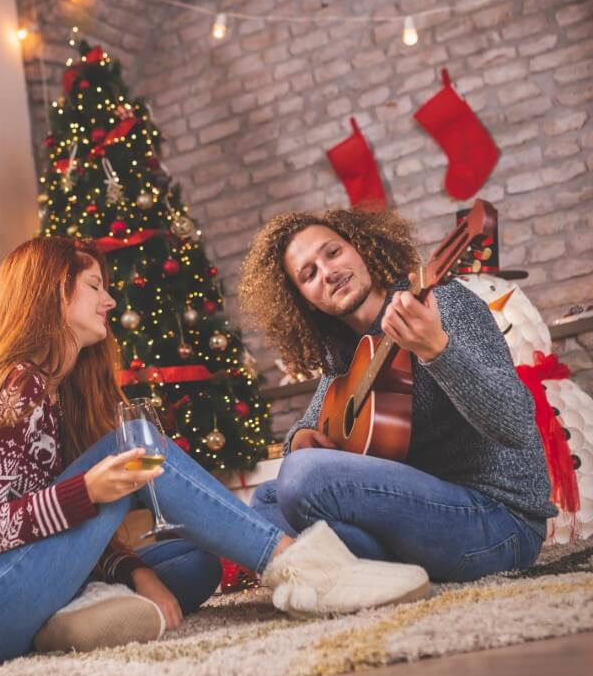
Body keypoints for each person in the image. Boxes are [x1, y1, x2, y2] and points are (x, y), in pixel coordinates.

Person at [0, 236, 429, 672]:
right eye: (95, 287)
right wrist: (85, 492)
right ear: (53, 292)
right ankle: (306, 569)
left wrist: (132, 570)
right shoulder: (14, 386)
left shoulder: (50, 394)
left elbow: (45, 533)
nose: (110, 301)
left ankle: (73, 619)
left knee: (193, 567)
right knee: (139, 448)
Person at [238, 208, 555, 582]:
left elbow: (516, 424)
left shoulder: (443, 305)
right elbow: (310, 426)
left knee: (302, 479)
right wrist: (301, 437)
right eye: (309, 274)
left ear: (360, 248)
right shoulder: (342, 353)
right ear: (305, 300)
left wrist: (437, 350)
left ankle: (341, 570)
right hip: (423, 523)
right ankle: (370, 571)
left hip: (497, 521)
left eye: (333, 252)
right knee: (265, 501)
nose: (327, 272)